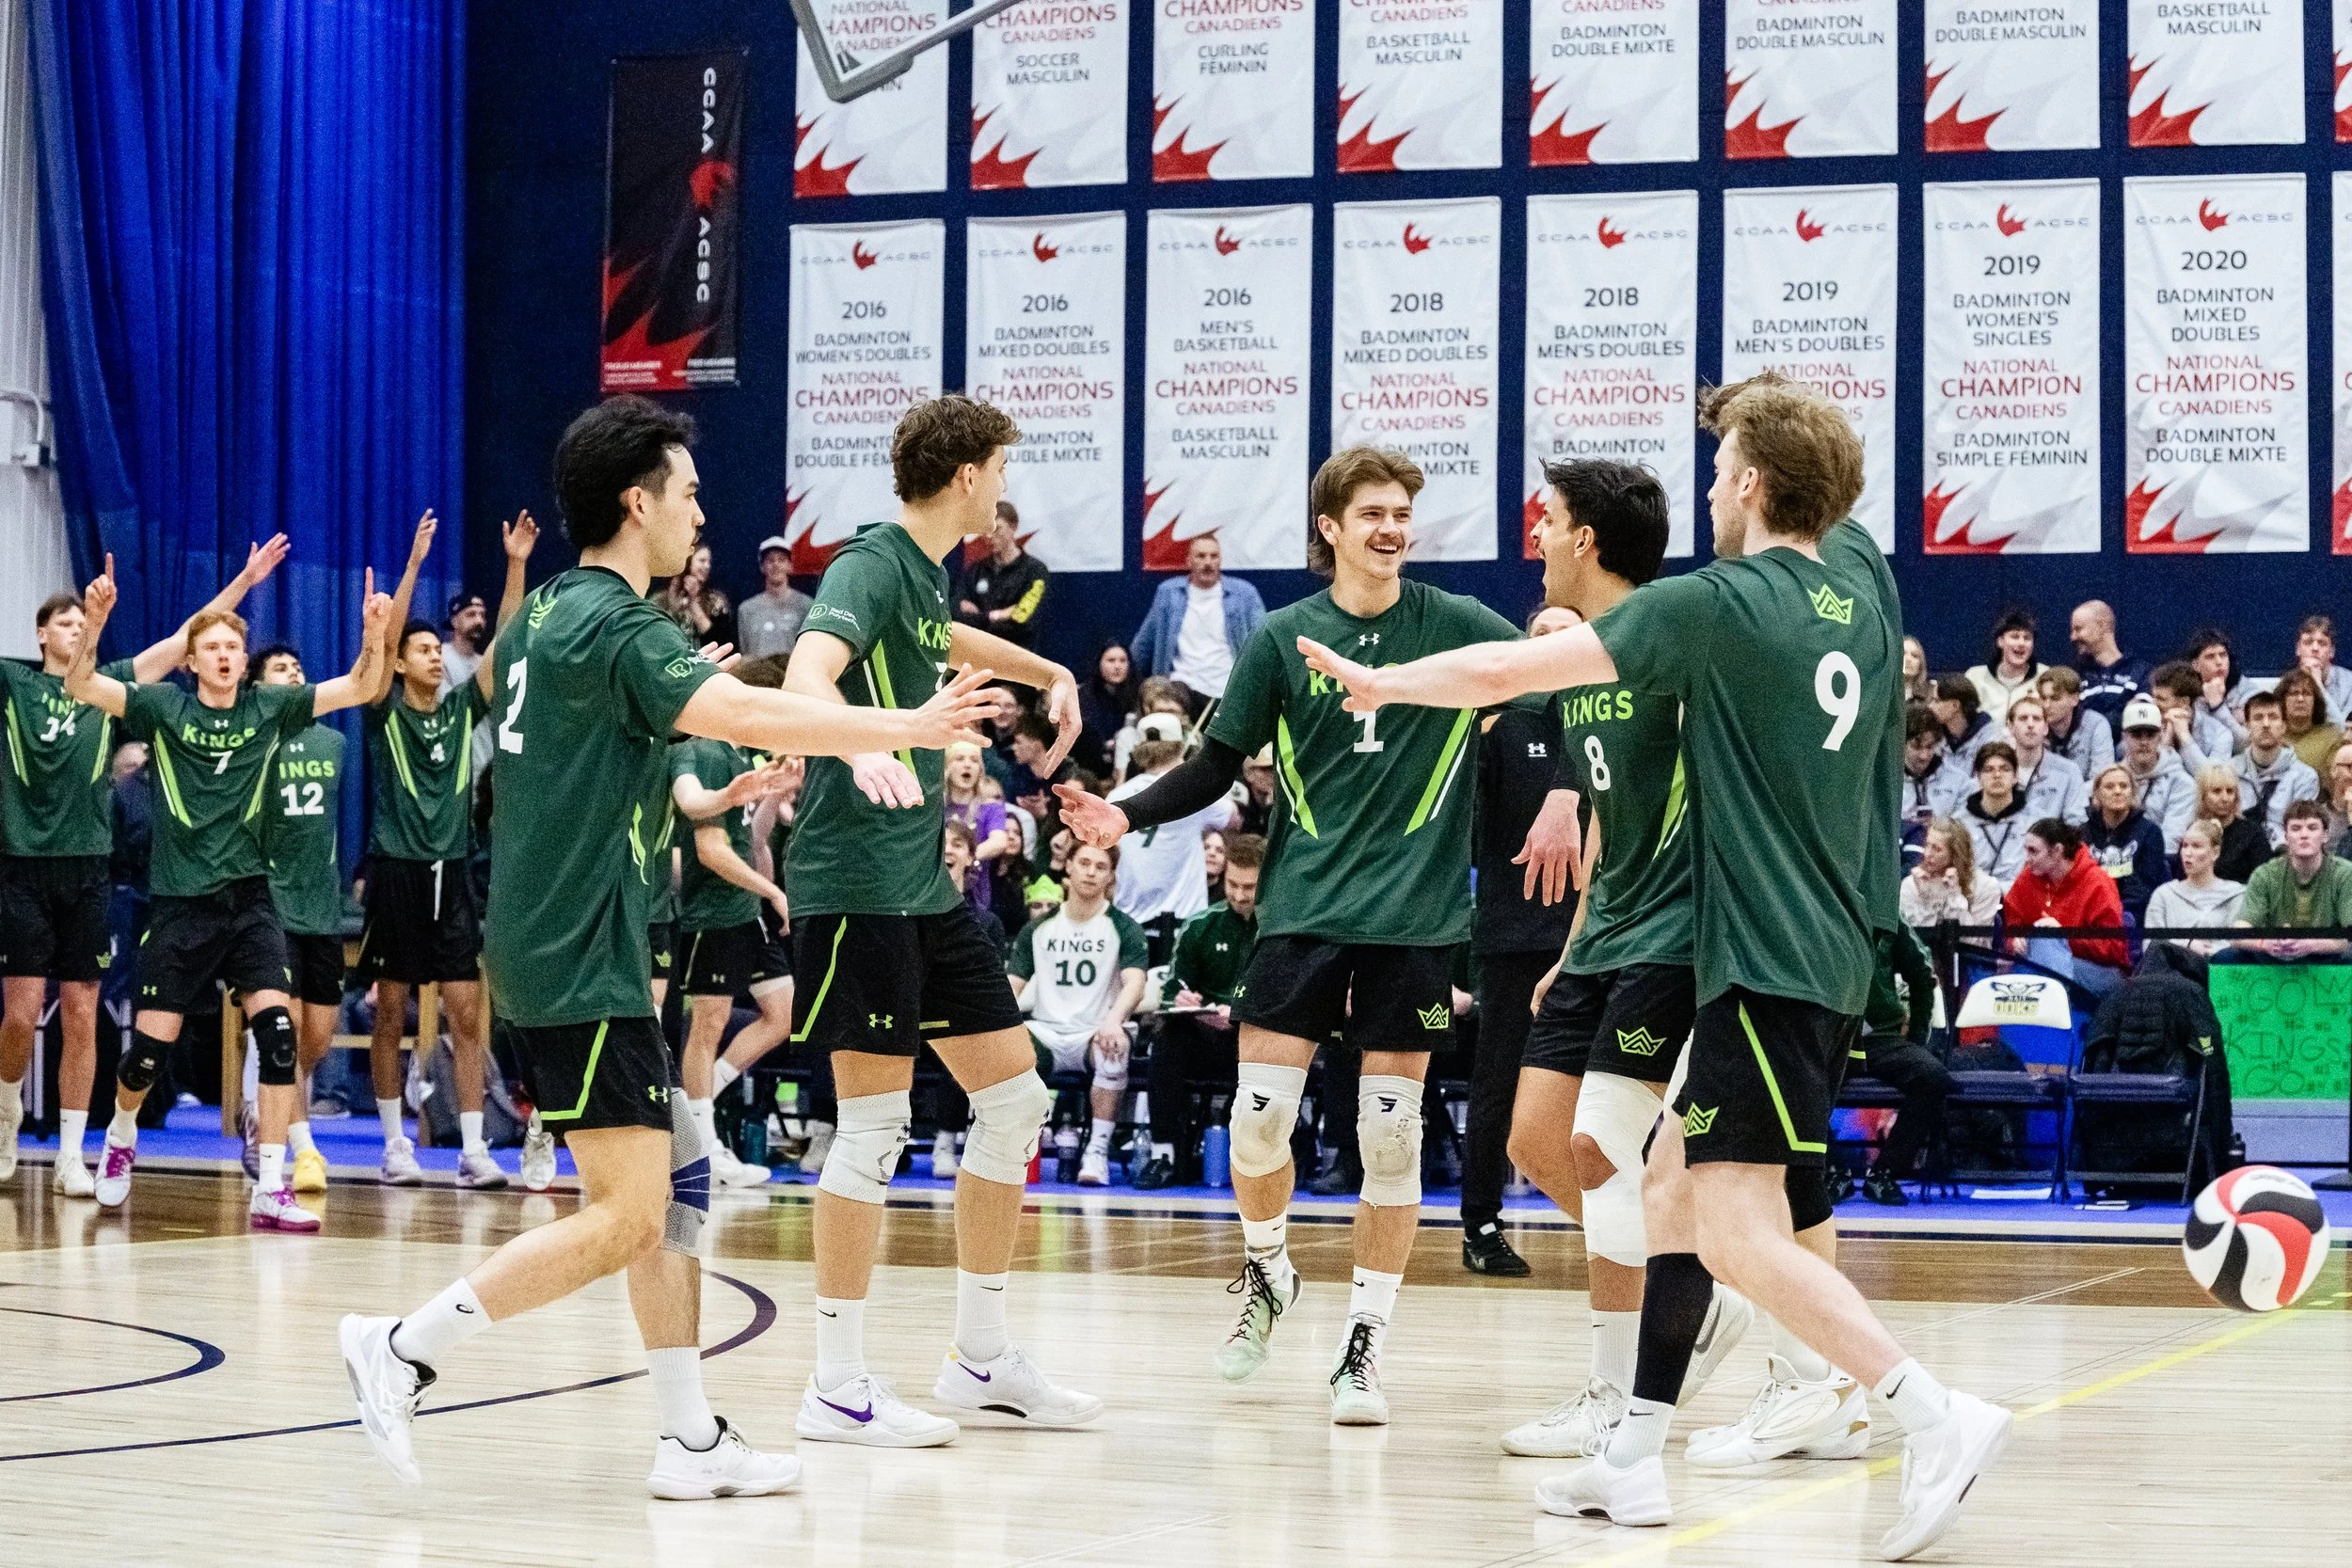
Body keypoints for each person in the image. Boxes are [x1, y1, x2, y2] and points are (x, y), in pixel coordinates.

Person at [1294, 374, 2010, 1557]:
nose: (1714, 485)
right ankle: (1629, 1455)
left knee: (1731, 1224)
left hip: (1768, 953)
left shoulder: (1712, 604)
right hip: (1830, 941)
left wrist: (1382, 681)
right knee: (1671, 1192)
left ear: (1754, 486)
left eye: (1726, 464)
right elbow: (1823, 473)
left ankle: (1928, 1410)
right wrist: (1756, 404)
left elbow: (1503, 673)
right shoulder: (1866, 575)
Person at [340, 393, 1002, 1497]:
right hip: (580, 948)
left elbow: (606, 755)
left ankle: (688, 1436)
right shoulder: (616, 623)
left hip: (559, 935)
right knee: (630, 1212)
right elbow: (758, 711)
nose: (702, 511)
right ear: (636, 500)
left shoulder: (548, 610)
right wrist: (904, 724)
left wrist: (704, 791)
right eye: (689, 492)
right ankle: (404, 1347)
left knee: (682, 1176)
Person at [1055, 444, 1567, 1428]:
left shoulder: (1459, 627)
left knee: (1386, 1135)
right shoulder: (1282, 639)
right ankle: (1268, 1269)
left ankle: (1364, 1342)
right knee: (1256, 1119)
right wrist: (1126, 813)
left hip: (1413, 921)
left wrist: (1566, 788)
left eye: (1401, 512)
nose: (1390, 527)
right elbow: (1215, 764)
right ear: (1328, 528)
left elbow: (1570, 694)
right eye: (1370, 511)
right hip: (1300, 911)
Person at [781, 393, 1100, 1447]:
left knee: (1014, 1102)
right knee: (872, 1129)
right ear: (965, 474)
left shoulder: (919, 573)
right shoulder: (872, 562)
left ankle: (979, 1358)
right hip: (852, 886)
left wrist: (1044, 666)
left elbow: (941, 634)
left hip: (919, 885)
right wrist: (854, 741)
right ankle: (834, 1383)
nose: (1007, 485)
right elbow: (806, 670)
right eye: (1001, 466)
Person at [1493, 458, 1748, 1456]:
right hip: (1607, 932)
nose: (1538, 541)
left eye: (1549, 523)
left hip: (1675, 932)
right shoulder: (1579, 661)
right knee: (1535, 1140)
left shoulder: (1672, 642)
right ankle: (1693, 1290)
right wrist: (1573, 937)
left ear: (1587, 539)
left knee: (1603, 1143)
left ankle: (1618, 1383)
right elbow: (1608, 808)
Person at [62, 557, 394, 1227]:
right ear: (191, 660)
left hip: (250, 903)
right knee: (146, 1056)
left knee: (278, 1035)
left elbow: (361, 685)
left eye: (232, 647)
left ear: (245, 663)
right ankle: (121, 1136)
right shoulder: (164, 706)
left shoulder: (272, 708)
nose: (222, 654)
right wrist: (94, 625)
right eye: (210, 646)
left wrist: (373, 633)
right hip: (182, 908)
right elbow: (80, 685)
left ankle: (270, 1185)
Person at [0, 536, 289, 1193]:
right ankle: (6, 1106)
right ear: (42, 633)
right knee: (20, 1015)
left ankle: (75, 1153)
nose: (76, 626)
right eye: (64, 621)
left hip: (89, 867)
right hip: (23, 864)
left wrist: (243, 579)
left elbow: (192, 635)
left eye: (84, 619)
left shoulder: (121, 682)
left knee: (82, 1009)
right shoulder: (13, 681)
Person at [358, 509, 535, 1190]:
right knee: (393, 1011)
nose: (436, 655)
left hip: (453, 873)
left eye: (440, 649)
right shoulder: (383, 712)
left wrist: (515, 562)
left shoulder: (464, 711)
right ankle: (394, 1143)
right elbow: (384, 643)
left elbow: (508, 648)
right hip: (397, 873)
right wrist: (411, 563)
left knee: (466, 1012)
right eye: (424, 649)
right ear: (403, 663)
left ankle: (471, 1149)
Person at [1462, 603, 1583, 1278]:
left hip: (1598, 937)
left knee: (1610, 1092)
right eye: (1540, 635)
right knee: (1497, 1085)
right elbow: (1471, 832)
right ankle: (1480, 1224)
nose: (1552, 647)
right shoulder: (1501, 726)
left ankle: (1623, 1227)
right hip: (1515, 936)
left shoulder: (1611, 723)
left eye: (1567, 635)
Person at [668, 725, 795, 1190]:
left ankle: (694, 1104)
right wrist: (773, 892)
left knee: (783, 1014)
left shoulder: (739, 758)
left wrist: (771, 793)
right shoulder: (703, 754)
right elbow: (711, 851)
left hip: (745, 911)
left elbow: (753, 840)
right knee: (708, 1025)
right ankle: (700, 1146)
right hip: (713, 914)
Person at [253, 641, 352, 1194]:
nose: (293, 673)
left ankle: (263, 1107)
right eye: (279, 669)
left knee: (316, 1039)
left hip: (323, 910)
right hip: (271, 906)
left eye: (297, 666)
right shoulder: (254, 744)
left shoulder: (333, 742)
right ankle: (303, 1148)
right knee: (283, 1036)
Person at [1006, 841, 1147, 1185]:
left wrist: (1114, 1020)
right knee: (1005, 1048)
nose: (1090, 871)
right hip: (1046, 1030)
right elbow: (1011, 986)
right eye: (1083, 862)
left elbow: (1135, 982)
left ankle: (1096, 1152)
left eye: (1100, 866)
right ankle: (1013, 1149)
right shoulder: (1038, 928)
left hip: (1095, 1031)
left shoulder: (1123, 927)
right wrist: (1001, 1029)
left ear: (1111, 876)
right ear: (1067, 868)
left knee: (1116, 1049)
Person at [1136, 832, 1263, 1189]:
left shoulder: (1280, 931)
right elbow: (1173, 989)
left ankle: (1257, 1160)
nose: (1238, 896)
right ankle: (1163, 1155)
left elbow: (1291, 995)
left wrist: (1239, 1011)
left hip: (1256, 1037)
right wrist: (1183, 1002)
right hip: (1206, 1038)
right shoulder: (1200, 926)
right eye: (1232, 884)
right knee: (1168, 1038)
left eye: (1249, 887)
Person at [1108, 736, 1238, 962]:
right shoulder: (1192, 792)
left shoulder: (1117, 795)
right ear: (1180, 747)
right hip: (1184, 916)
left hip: (1129, 917)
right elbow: (1233, 819)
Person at [1854, 925, 1952, 1208]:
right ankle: (1828, 1171)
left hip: (1879, 1038)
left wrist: (1917, 1039)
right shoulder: (1817, 902)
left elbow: (1923, 974)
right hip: (1826, 1036)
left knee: (1933, 1078)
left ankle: (1885, 1172)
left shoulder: (1885, 911)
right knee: (1794, 1075)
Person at [1129, 532, 1267, 703]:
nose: (1208, 562)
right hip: (1180, 691)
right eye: (1201, 556)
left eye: (1214, 556)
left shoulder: (1245, 594)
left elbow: (1263, 642)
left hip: (1230, 689)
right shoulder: (1168, 593)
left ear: (1220, 560)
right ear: (1189, 560)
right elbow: (1143, 645)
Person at [2004, 818, 2129, 1000]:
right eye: (2026, 850)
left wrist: (2063, 936)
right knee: (2038, 949)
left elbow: (2113, 949)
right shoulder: (2028, 876)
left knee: (2045, 943)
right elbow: (2012, 924)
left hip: (2100, 971)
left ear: (2057, 851)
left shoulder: (2098, 882)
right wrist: (2014, 940)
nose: (2027, 858)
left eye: (2033, 851)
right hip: (2039, 963)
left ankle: (2048, 1015)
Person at [2232, 799, 2352, 958]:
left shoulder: (2344, 874)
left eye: (2312, 828)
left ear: (2325, 836)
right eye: (2296, 828)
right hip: (2276, 954)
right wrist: (2266, 943)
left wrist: (2309, 944)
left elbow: (2348, 936)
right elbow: (2239, 930)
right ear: (2286, 837)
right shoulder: (2265, 874)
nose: (2304, 835)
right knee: (2226, 957)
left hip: (2328, 956)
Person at [956, 499, 1048, 649]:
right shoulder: (976, 570)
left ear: (1014, 527)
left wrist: (979, 618)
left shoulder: (1035, 571)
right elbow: (958, 616)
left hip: (1017, 659)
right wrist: (996, 615)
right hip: (980, 655)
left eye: (997, 528)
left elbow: (1023, 621)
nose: (990, 536)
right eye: (987, 530)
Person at [2233, 689, 2320, 848]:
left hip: (2285, 857)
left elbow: (2301, 834)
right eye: (2258, 718)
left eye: (2273, 717)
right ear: (2247, 726)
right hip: (2238, 859)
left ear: (2284, 726)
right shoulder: (2230, 772)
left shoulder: (2305, 776)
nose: (2266, 724)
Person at [2082, 764, 2169, 921]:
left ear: (2133, 792)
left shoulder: (2150, 832)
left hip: (2132, 914)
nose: (2117, 791)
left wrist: (2115, 910)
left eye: (2123, 786)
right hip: (2090, 912)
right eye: (2109, 787)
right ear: (2097, 794)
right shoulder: (2082, 833)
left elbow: (2144, 885)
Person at [2144, 819, 2245, 952]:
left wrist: (2213, 950)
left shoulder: (2235, 894)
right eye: (2185, 846)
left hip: (2220, 967)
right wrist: (2186, 945)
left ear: (2215, 853)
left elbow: (2241, 942)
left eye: (2196, 846)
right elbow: (2149, 944)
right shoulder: (2164, 894)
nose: (2188, 853)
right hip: (2174, 969)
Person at [2118, 696, 2197, 852]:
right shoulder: (2113, 780)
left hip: (2159, 862)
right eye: (2136, 734)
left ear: (2160, 734)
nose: (2144, 742)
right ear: (2124, 737)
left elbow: (2171, 840)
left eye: (2150, 734)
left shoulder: (2181, 782)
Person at [942, 741, 1012, 914]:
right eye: (959, 759)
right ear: (948, 767)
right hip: (938, 888)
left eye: (974, 760)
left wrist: (966, 857)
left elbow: (999, 841)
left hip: (975, 894)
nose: (967, 764)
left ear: (980, 769)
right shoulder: (936, 807)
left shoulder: (990, 808)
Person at [1901, 816, 2002, 928]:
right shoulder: (1911, 884)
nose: (1928, 854)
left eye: (1937, 849)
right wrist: (1926, 898)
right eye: (1926, 845)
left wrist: (1954, 896)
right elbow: (1913, 938)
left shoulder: (1986, 887)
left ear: (1955, 854)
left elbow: (1971, 940)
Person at [2003, 695, 2088, 826]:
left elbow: (2076, 822)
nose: (2030, 724)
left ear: (2046, 728)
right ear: (2011, 727)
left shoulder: (2068, 771)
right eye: (2023, 718)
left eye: (2036, 719)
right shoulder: (1996, 770)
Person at [1955, 742, 2031, 886]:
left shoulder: (2035, 821)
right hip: (1974, 897)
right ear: (1978, 777)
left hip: (2020, 897)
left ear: (2015, 776)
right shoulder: (1959, 823)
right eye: (1989, 770)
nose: (1997, 775)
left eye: (2005, 769)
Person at [2069, 599, 2149, 734]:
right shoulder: (2074, 675)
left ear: (2102, 626)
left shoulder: (2141, 672)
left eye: (2078, 629)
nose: (2073, 637)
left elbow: (2140, 719)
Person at [2194, 762, 2273, 886]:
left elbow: (2265, 884)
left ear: (2236, 797)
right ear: (2203, 796)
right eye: (2217, 791)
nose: (2225, 798)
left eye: (2230, 791)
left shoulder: (2253, 835)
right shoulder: (2194, 832)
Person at [1927, 673, 2000, 807]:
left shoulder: (1992, 737)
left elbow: (1988, 781)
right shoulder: (1935, 736)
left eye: (1936, 701)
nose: (1930, 706)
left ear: (1955, 705)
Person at [737, 535, 814, 658]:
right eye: (770, 560)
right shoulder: (746, 609)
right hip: (757, 675)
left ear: (790, 566)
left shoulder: (806, 605)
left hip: (792, 676)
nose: (776, 565)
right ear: (762, 567)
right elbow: (745, 652)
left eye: (781, 560)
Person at [1964, 609, 2043, 722]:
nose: (2021, 643)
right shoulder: (1975, 676)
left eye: (2027, 638)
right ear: (2000, 641)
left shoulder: (2045, 676)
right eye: (2015, 637)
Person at [2148, 660, 2227, 773]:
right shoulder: (2147, 727)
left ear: (2184, 702)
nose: (2154, 704)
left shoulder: (2220, 734)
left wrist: (2184, 737)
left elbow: (2213, 779)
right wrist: (2166, 741)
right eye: (2153, 697)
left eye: (2161, 699)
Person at [658, 542, 736, 653]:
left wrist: (693, 603)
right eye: (702, 561)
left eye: (709, 562)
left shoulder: (715, 601)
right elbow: (658, 637)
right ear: (687, 562)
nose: (707, 566)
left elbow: (720, 642)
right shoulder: (660, 600)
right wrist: (673, 603)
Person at [2035, 664, 2114, 774]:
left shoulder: (2096, 724)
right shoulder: (2034, 726)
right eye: (2043, 698)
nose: (2046, 705)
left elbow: (2100, 778)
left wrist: (2073, 791)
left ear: (2075, 699)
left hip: (2085, 790)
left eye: (2055, 698)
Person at [1075, 642, 1138, 777]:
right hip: (1093, 764)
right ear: (1099, 663)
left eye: (1123, 661)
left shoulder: (1138, 693)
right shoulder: (1084, 696)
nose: (1117, 666)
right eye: (1111, 660)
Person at [2273, 668, 2341, 776]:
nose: (2300, 699)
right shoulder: (2272, 736)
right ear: (2282, 700)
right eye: (2294, 693)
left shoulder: (2332, 737)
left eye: (2307, 693)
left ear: (2315, 700)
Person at [1900, 705, 1955, 827]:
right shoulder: (1885, 782)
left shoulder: (1959, 781)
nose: (1924, 756)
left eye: (1930, 747)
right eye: (1916, 747)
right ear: (1901, 743)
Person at [2291, 612, 2352, 721]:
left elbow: (2342, 731)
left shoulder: (2349, 684)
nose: (2315, 648)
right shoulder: (2288, 683)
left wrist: (2318, 685)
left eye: (2322, 643)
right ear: (2298, 649)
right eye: (2308, 642)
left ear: (2332, 651)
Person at [438, 589, 490, 695]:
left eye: (482, 615)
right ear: (454, 622)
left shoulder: (483, 662)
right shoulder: (440, 656)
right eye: (471, 614)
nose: (479, 621)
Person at [1901, 634, 1931, 705]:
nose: (1908, 659)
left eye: (1914, 655)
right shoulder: (1879, 693)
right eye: (1903, 653)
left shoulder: (1928, 699)